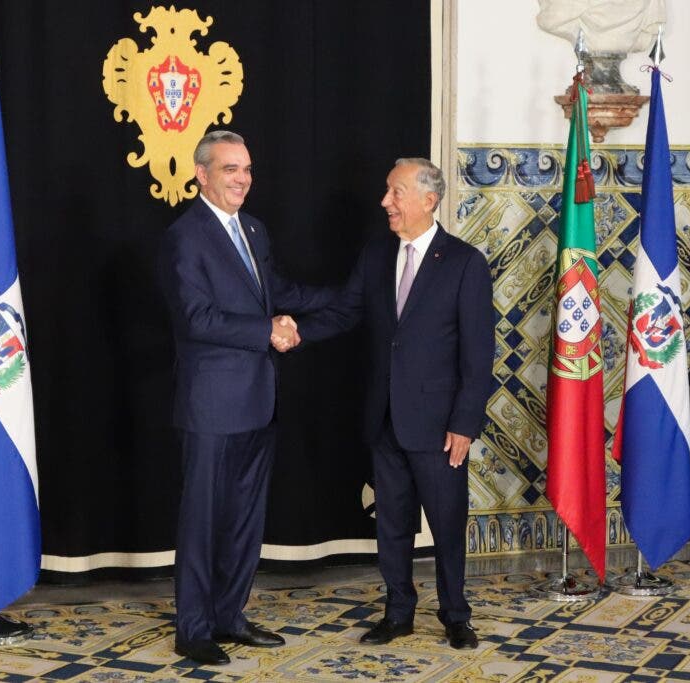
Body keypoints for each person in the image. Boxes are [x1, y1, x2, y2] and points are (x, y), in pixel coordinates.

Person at [297, 158, 494, 649]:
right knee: (392, 525)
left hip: (439, 425)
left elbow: (478, 354)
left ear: (429, 200)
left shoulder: (465, 262)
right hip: (384, 419)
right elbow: (344, 312)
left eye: (395, 192)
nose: (386, 202)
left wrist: (465, 423)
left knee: (448, 525)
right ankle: (398, 611)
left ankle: (455, 615)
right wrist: (295, 331)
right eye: (387, 192)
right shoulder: (376, 254)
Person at [157, 130, 333, 665]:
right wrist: (268, 331)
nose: (242, 179)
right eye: (231, 169)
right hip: (211, 406)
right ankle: (194, 628)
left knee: (244, 520)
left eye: (248, 169)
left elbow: (277, 292)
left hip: (259, 400)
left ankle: (230, 616)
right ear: (202, 174)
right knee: (203, 520)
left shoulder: (254, 229)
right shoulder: (184, 237)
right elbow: (196, 317)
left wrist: (348, 298)